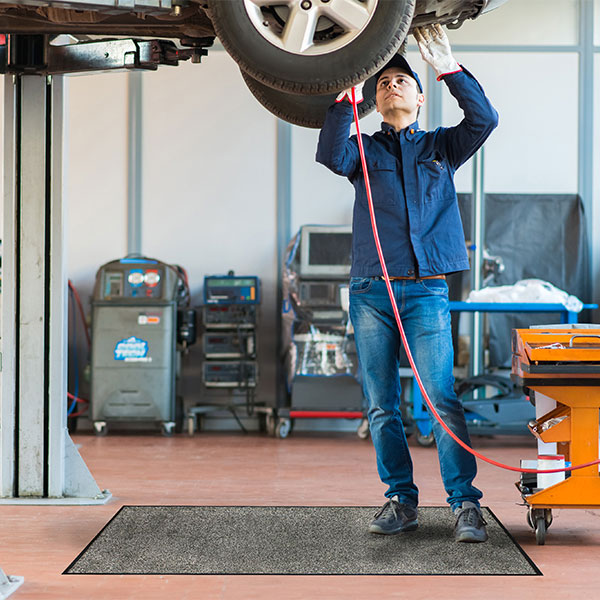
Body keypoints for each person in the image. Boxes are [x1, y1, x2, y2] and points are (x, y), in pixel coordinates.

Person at [316, 24, 498, 543]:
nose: (391, 85)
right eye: (383, 82)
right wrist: (346, 92)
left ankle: (465, 505)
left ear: (420, 97)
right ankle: (401, 500)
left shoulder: (443, 147)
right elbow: (331, 153)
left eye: (402, 80)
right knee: (380, 402)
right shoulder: (363, 152)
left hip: (425, 291)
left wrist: (448, 68)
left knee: (440, 397)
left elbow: (484, 118)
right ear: (372, 100)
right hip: (371, 292)